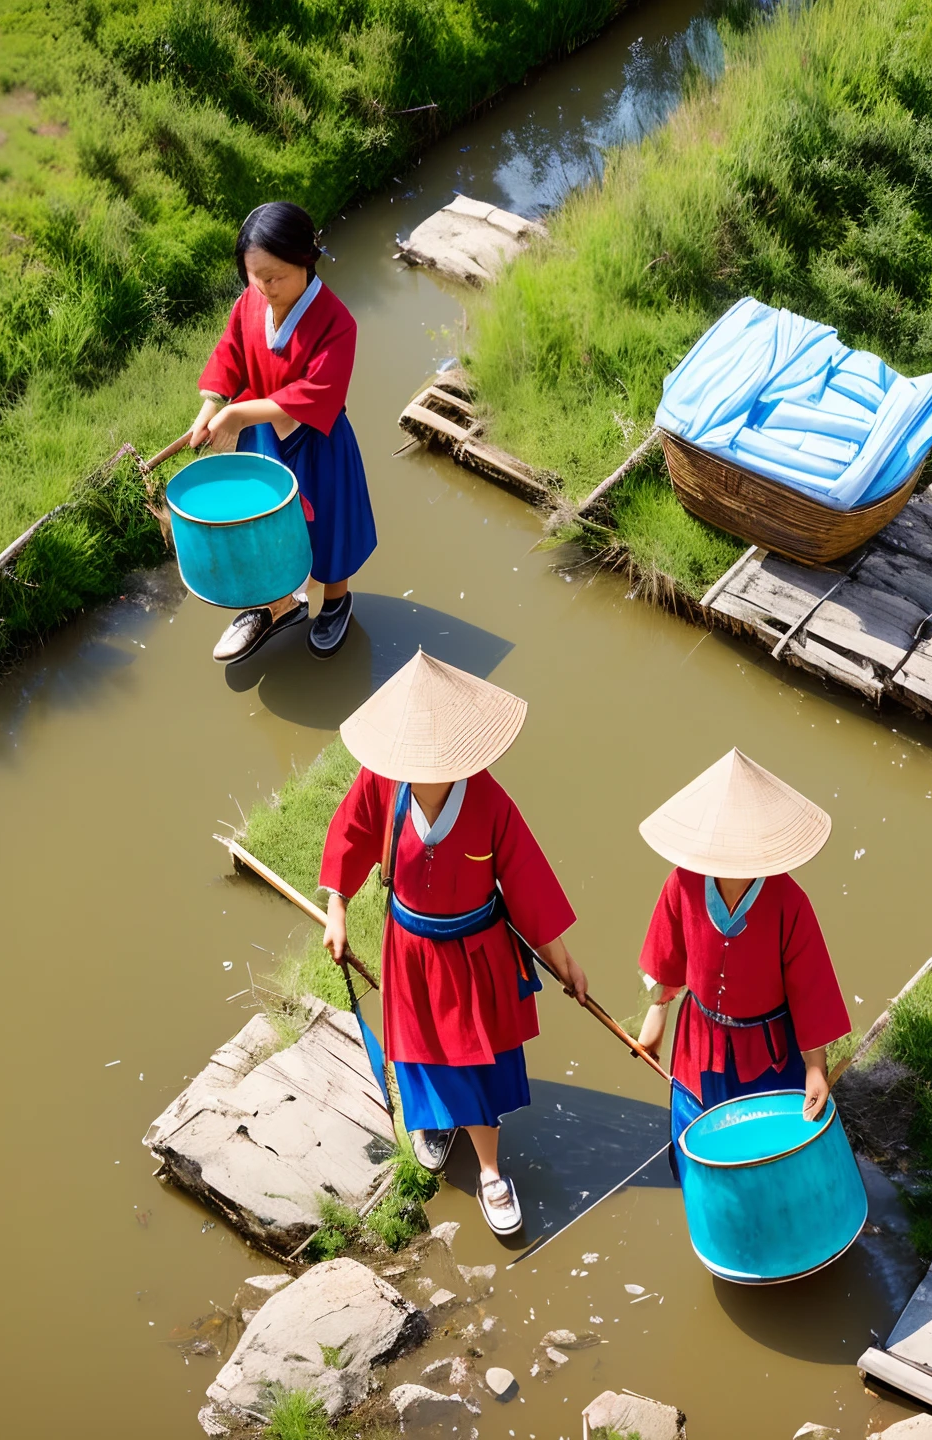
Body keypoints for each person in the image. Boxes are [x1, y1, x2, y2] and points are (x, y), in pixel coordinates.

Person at [318, 650, 587, 1236]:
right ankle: (432, 1122)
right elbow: (351, 835)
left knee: (475, 1056)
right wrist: (337, 908)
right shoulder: (382, 781)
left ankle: (491, 1171)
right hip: (411, 946)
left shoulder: (489, 801)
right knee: (418, 1046)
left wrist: (563, 961)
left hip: (475, 953)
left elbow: (528, 885)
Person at [632, 749, 850, 1167]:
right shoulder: (682, 881)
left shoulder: (790, 901)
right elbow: (669, 957)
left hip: (767, 1049)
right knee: (698, 1135)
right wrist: (657, 1016)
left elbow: (810, 990)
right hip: (701, 1041)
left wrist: (816, 1067)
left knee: (768, 1144)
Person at [193, 201, 376, 663]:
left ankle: (335, 603)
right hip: (264, 438)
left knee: (328, 528)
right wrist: (212, 403)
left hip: (318, 443)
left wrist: (237, 416)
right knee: (263, 527)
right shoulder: (251, 301)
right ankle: (275, 605)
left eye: (274, 276)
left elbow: (318, 393)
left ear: (306, 260)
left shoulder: (337, 323)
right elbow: (231, 352)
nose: (264, 287)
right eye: (255, 275)